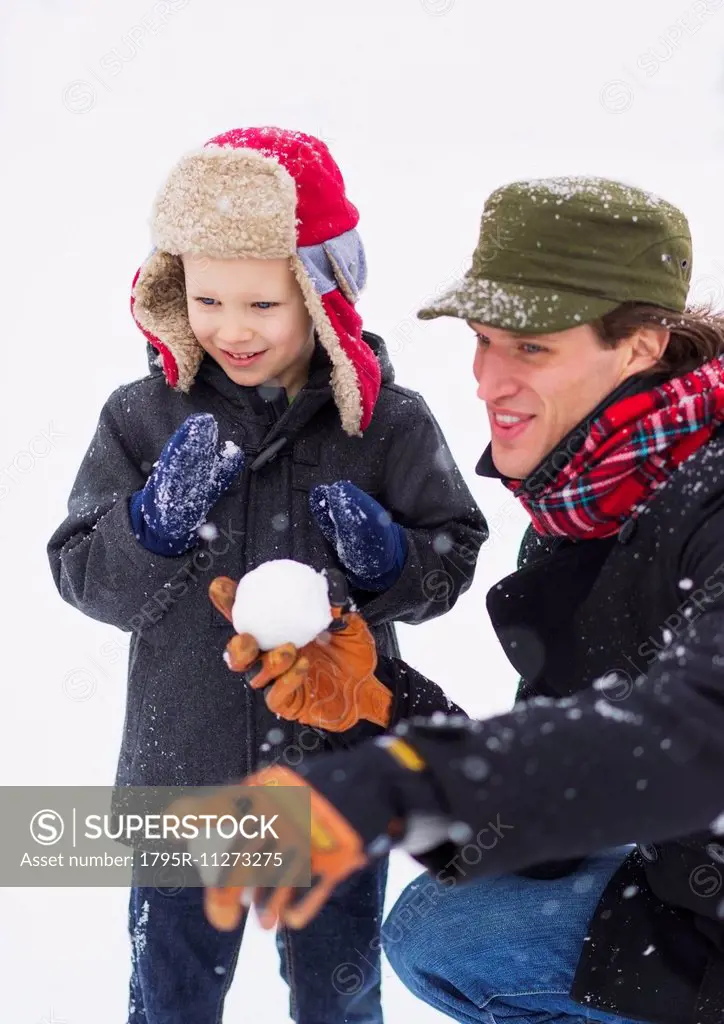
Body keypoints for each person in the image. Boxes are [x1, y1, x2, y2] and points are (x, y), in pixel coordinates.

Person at [180, 176, 724, 1024]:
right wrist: (381, 709)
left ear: (641, 345)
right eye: (483, 340)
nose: (487, 380)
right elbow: (560, 817)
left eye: (532, 349)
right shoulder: (589, 495)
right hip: (698, 884)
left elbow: (695, 742)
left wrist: (393, 787)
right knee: (451, 928)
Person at [46, 126, 487, 1024]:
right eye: (206, 299)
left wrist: (392, 562)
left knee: (339, 995)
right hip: (184, 778)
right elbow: (83, 574)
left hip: (335, 779)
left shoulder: (386, 423)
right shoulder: (141, 417)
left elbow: (455, 554)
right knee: (170, 996)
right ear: (171, 289)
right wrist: (150, 528)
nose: (231, 329)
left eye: (263, 305)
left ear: (324, 299)